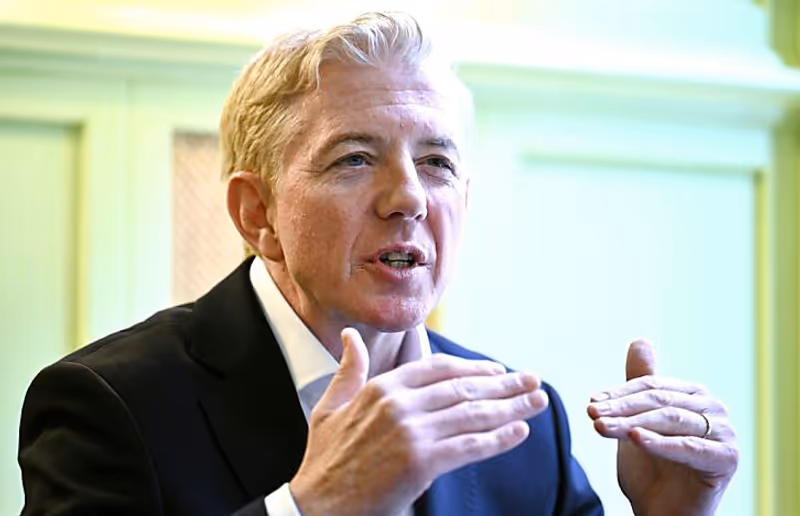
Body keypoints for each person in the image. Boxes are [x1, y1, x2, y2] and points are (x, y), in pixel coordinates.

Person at [18, 11, 739, 516]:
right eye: (355, 158)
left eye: (436, 162)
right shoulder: (108, 405)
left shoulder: (524, 426)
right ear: (257, 212)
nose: (409, 198)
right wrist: (308, 509)